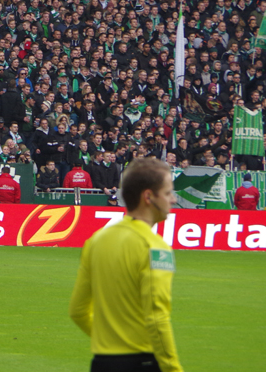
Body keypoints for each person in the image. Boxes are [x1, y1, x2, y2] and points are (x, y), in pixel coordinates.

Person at [69, 158, 182, 372]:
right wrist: (173, 368)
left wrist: (110, 341)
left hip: (102, 362)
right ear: (148, 197)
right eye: (168, 193)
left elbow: (77, 311)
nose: (174, 200)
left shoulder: (96, 240)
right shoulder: (155, 247)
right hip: (142, 361)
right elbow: (157, 317)